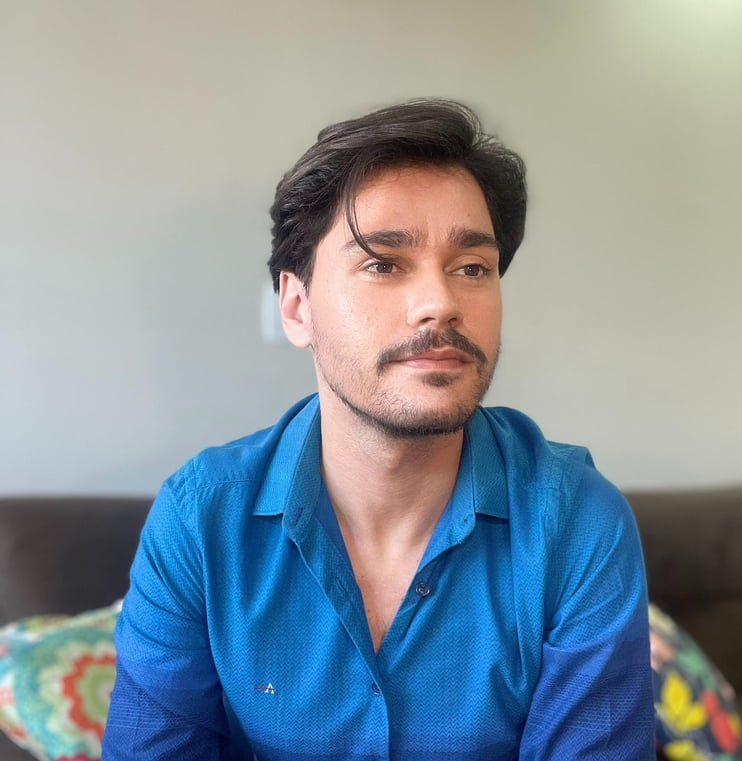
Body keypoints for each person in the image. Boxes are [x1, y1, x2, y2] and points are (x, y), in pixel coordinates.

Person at [102, 99, 655, 760]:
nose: (441, 303)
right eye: (383, 263)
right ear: (297, 307)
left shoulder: (575, 520)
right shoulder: (201, 519)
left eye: (472, 268)